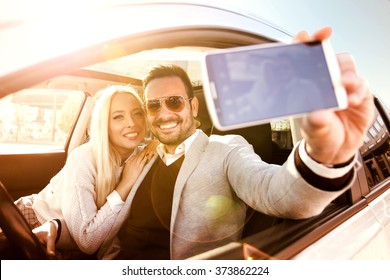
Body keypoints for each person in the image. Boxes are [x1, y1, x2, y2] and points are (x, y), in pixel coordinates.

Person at [35, 27, 374, 260]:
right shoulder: (140, 156)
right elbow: (105, 224)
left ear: (193, 106)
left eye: (175, 102)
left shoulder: (227, 150)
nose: (164, 113)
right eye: (153, 106)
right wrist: (58, 227)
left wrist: (325, 155)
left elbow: (281, 194)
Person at [9, 85, 158, 257]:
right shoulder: (84, 157)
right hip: (32, 222)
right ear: (104, 124)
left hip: (65, 237)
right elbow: (87, 240)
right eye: (118, 117)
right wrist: (125, 185)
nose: (132, 123)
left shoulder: (146, 156)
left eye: (137, 113)